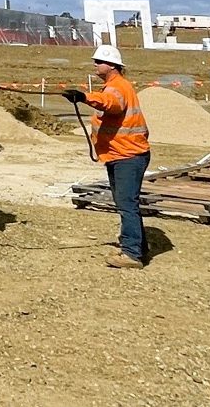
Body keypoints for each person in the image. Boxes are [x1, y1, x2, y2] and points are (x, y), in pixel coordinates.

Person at [63, 44, 151, 269]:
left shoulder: (117, 87)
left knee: (126, 204)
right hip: (121, 154)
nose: (95, 65)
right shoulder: (112, 85)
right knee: (127, 202)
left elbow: (112, 104)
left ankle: (132, 254)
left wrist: (84, 97)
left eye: (99, 61)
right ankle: (138, 247)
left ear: (111, 66)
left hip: (127, 155)